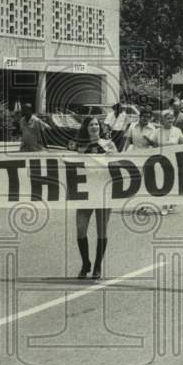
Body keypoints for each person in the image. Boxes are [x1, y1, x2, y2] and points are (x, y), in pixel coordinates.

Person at [74, 117, 116, 279]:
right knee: (80, 228)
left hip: (104, 191)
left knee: (101, 230)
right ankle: (86, 263)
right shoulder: (79, 146)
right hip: (85, 192)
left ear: (100, 127)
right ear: (86, 127)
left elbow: (119, 163)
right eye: (91, 124)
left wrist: (111, 156)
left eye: (97, 124)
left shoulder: (108, 144)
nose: (94, 127)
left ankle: (98, 265)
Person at [148, 109, 183, 214]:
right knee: (163, 183)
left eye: (171, 118)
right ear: (162, 120)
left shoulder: (177, 130)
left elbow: (182, 144)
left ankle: (170, 202)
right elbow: (152, 145)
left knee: (172, 182)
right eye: (167, 118)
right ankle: (164, 205)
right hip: (160, 160)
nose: (170, 120)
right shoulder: (156, 131)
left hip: (174, 159)